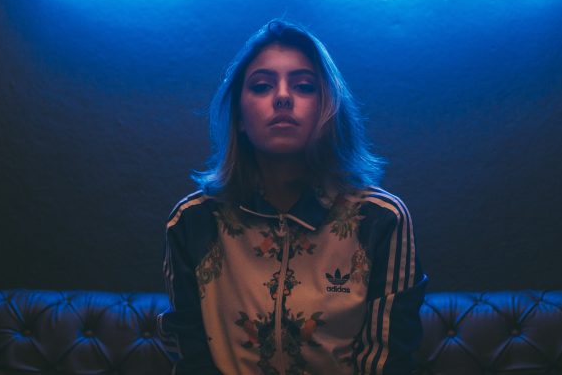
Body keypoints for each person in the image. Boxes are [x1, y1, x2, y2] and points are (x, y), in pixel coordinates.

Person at [158, 19, 427, 375]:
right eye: (262, 86)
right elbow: (192, 356)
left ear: (327, 109)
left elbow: (387, 360)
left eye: (303, 86)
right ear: (238, 115)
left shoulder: (381, 219)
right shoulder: (193, 221)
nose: (283, 97)